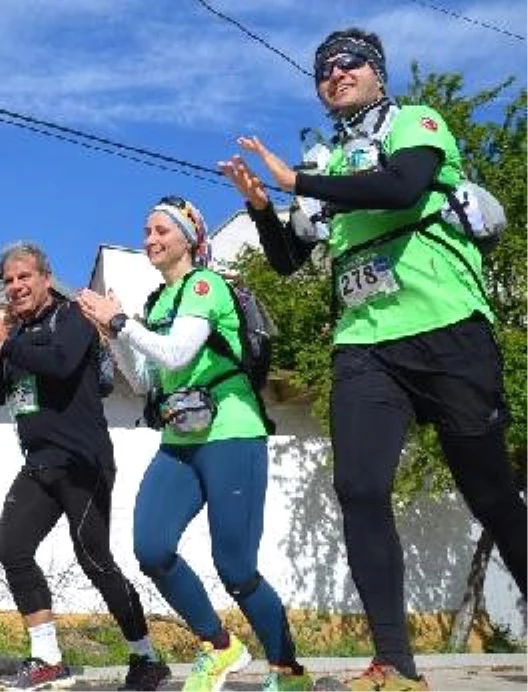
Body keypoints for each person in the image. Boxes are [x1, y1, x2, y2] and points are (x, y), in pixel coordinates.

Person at [219, 27, 528, 691]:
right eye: (323, 69)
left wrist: (297, 177)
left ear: (378, 73)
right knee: (358, 489)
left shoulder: (416, 122)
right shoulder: (325, 161)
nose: (335, 74)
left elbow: (401, 187)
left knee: (493, 496)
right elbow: (288, 258)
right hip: (364, 344)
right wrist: (263, 209)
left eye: (348, 63)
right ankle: (395, 664)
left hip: (449, 330)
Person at [79, 198, 311, 692]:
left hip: (231, 434)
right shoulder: (157, 303)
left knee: (236, 568)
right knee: (152, 547)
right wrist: (113, 333)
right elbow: (144, 381)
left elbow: (179, 353)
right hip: (180, 437)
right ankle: (219, 644)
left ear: (190, 237)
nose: (150, 238)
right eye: (145, 230)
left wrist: (122, 323)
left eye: (161, 229)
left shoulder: (205, 285)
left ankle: (288, 671)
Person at [0, 242, 167, 692]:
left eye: (25, 277)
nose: (16, 286)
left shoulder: (73, 318)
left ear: (44, 278)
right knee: (13, 549)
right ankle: (47, 659)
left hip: (83, 462)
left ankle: (146, 659)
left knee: (94, 560)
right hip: (39, 465)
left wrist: (6, 346)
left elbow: (58, 365)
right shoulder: (15, 336)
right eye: (9, 280)